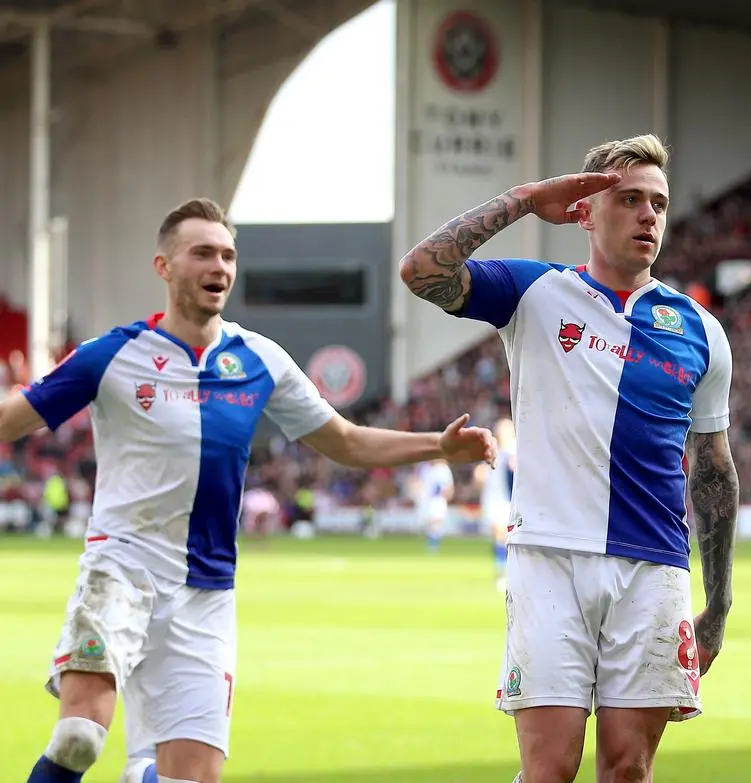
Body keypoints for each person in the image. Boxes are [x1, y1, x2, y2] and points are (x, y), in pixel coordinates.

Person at [0, 198, 496, 783]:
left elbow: (346, 441)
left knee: (188, 778)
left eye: (229, 255)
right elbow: (12, 420)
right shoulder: (113, 355)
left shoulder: (260, 359)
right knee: (79, 739)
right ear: (164, 266)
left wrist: (438, 446)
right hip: (122, 571)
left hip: (206, 593)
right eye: (203, 252)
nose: (220, 266)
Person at [398, 133, 740, 783]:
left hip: (653, 570)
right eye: (629, 199)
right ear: (583, 209)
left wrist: (719, 604)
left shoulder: (699, 328)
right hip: (549, 559)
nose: (648, 215)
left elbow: (716, 471)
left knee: (627, 768)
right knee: (549, 767)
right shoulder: (534, 293)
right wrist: (524, 201)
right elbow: (422, 272)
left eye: (659, 204)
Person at [473, 417, 516, 590]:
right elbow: (482, 474)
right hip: (493, 499)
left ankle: (505, 575)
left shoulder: (516, 449)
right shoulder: (493, 448)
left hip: (509, 500)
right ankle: (502, 574)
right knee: (498, 536)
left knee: (503, 536)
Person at [411, 459, 455, 552]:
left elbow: (448, 487)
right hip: (425, 499)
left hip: (438, 499)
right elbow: (417, 482)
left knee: (436, 522)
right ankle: (431, 544)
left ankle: (433, 546)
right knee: (428, 523)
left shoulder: (443, 469)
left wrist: (446, 495)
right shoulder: (424, 467)